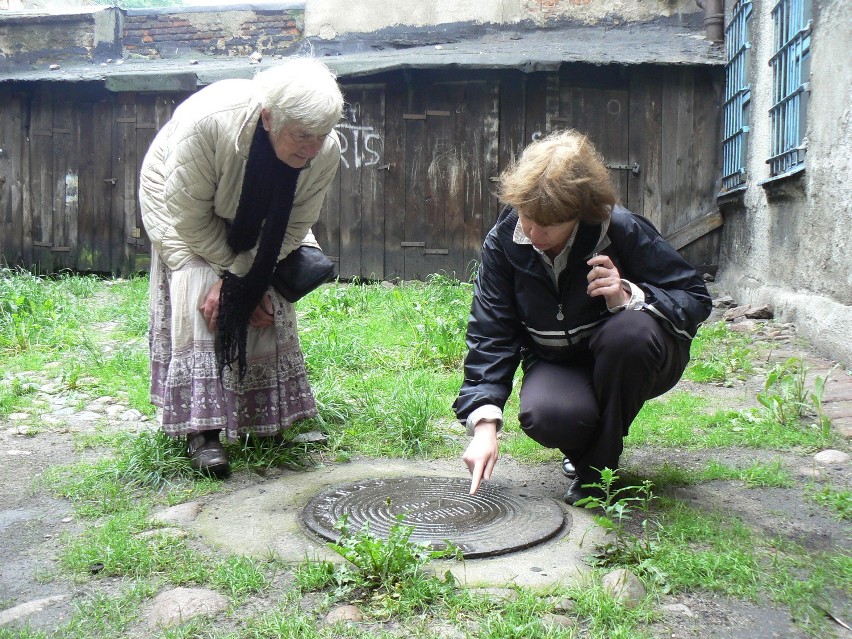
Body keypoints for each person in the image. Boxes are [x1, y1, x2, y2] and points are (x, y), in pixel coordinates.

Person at [453, 129, 712, 504]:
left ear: (578, 214)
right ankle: (590, 451)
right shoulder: (503, 242)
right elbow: (491, 333)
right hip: (557, 362)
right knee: (547, 415)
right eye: (527, 217)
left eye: (549, 224)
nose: (533, 232)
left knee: (631, 333)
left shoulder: (620, 229)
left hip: (636, 356)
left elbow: (694, 297)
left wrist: (629, 295)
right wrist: (485, 425)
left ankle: (596, 470)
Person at [139, 57, 344, 478]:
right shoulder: (209, 124)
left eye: (321, 136)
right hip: (179, 205)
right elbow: (191, 219)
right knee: (199, 286)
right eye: (302, 135)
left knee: (265, 301)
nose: (312, 148)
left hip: (263, 219)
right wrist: (230, 277)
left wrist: (249, 277)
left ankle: (261, 415)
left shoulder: (324, 150)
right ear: (269, 117)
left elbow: (296, 224)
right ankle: (203, 431)